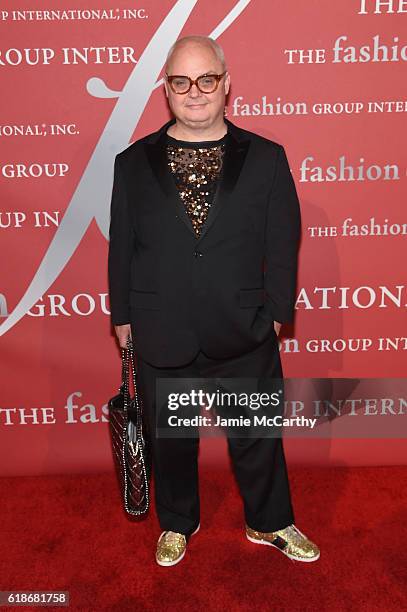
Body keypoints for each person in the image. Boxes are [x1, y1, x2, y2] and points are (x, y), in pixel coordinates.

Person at [108, 35, 319, 566]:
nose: (195, 92)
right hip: (162, 326)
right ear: (167, 91)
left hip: (244, 327)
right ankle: (178, 522)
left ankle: (270, 522)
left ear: (227, 85)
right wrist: (124, 317)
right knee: (172, 440)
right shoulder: (132, 163)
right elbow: (124, 246)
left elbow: (282, 241)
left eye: (207, 80)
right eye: (181, 82)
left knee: (257, 436)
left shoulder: (268, 158)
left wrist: (276, 314)